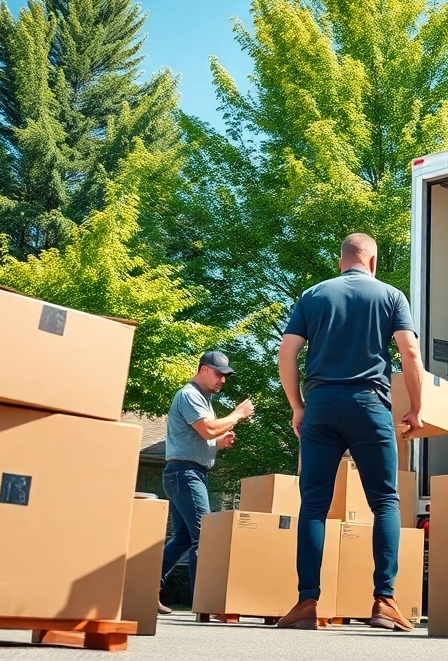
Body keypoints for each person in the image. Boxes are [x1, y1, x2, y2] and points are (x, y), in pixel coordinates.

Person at [275, 233, 426, 632]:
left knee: (313, 506)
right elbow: (410, 353)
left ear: (341, 260)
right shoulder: (391, 297)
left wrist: (297, 406)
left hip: (321, 406)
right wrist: (416, 406)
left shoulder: (313, 296)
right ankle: (384, 601)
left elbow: (286, 353)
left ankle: (307, 601)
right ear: (372, 261)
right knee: (385, 502)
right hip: (368, 406)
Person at [159, 351, 255, 613]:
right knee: (205, 538)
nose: (222, 380)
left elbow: (205, 436)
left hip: (186, 473)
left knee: (182, 538)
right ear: (203, 369)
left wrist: (218, 444)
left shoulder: (203, 399)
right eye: (218, 373)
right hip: (185, 474)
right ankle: (204, 601)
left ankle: (144, 587)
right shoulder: (189, 395)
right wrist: (237, 414)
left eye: (225, 375)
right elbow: (209, 428)